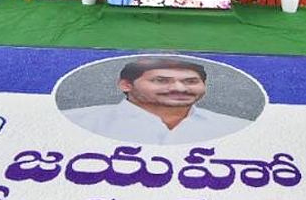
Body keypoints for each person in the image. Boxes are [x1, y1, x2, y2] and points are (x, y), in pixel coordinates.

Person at [62, 56, 252, 145]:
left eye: (191, 81)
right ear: (126, 85)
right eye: (161, 80)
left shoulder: (235, 127)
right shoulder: (79, 121)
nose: (179, 88)